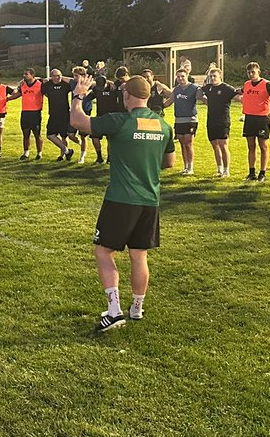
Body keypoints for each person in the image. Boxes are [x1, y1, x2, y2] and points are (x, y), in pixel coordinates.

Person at [69, 73, 175, 333]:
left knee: (103, 251)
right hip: (150, 199)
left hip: (121, 198)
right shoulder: (163, 125)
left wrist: (78, 96)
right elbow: (169, 163)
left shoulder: (120, 121)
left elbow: (78, 121)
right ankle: (137, 308)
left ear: (127, 96)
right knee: (139, 254)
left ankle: (114, 310)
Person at [239, 62, 270, 181]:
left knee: (263, 146)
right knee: (251, 146)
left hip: (262, 118)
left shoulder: (266, 84)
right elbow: (241, 91)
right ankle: (251, 172)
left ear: (258, 72)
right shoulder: (246, 84)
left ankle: (262, 173)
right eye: (249, 72)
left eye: (253, 72)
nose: (251, 74)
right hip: (249, 118)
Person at [199, 65, 235, 177]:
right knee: (215, 145)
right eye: (211, 76)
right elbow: (199, 92)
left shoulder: (226, 88)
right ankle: (219, 169)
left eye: (214, 76)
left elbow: (238, 95)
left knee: (223, 145)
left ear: (220, 76)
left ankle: (226, 170)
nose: (212, 78)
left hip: (222, 120)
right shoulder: (208, 88)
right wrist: (205, 100)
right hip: (211, 120)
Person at [165, 68, 200, 175]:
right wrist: (157, 106)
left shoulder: (194, 88)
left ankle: (190, 167)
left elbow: (202, 98)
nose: (180, 79)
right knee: (182, 143)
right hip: (179, 120)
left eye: (182, 76)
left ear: (187, 76)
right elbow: (169, 101)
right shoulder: (176, 90)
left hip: (190, 119)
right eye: (178, 77)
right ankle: (185, 166)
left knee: (188, 142)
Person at [43, 68, 75, 160]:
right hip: (53, 113)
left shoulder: (65, 84)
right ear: (51, 76)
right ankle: (67, 151)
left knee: (64, 136)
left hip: (64, 114)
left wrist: (63, 77)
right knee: (50, 135)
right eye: (56, 76)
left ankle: (62, 155)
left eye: (60, 75)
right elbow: (38, 82)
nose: (58, 77)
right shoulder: (47, 85)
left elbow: (74, 81)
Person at [16, 68, 44, 160]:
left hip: (35, 112)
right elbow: (18, 94)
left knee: (37, 134)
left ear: (32, 75)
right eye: (24, 74)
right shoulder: (23, 85)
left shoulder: (40, 84)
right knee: (25, 134)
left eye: (26, 74)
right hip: (25, 112)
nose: (24, 76)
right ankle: (26, 153)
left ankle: (39, 153)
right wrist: (7, 99)